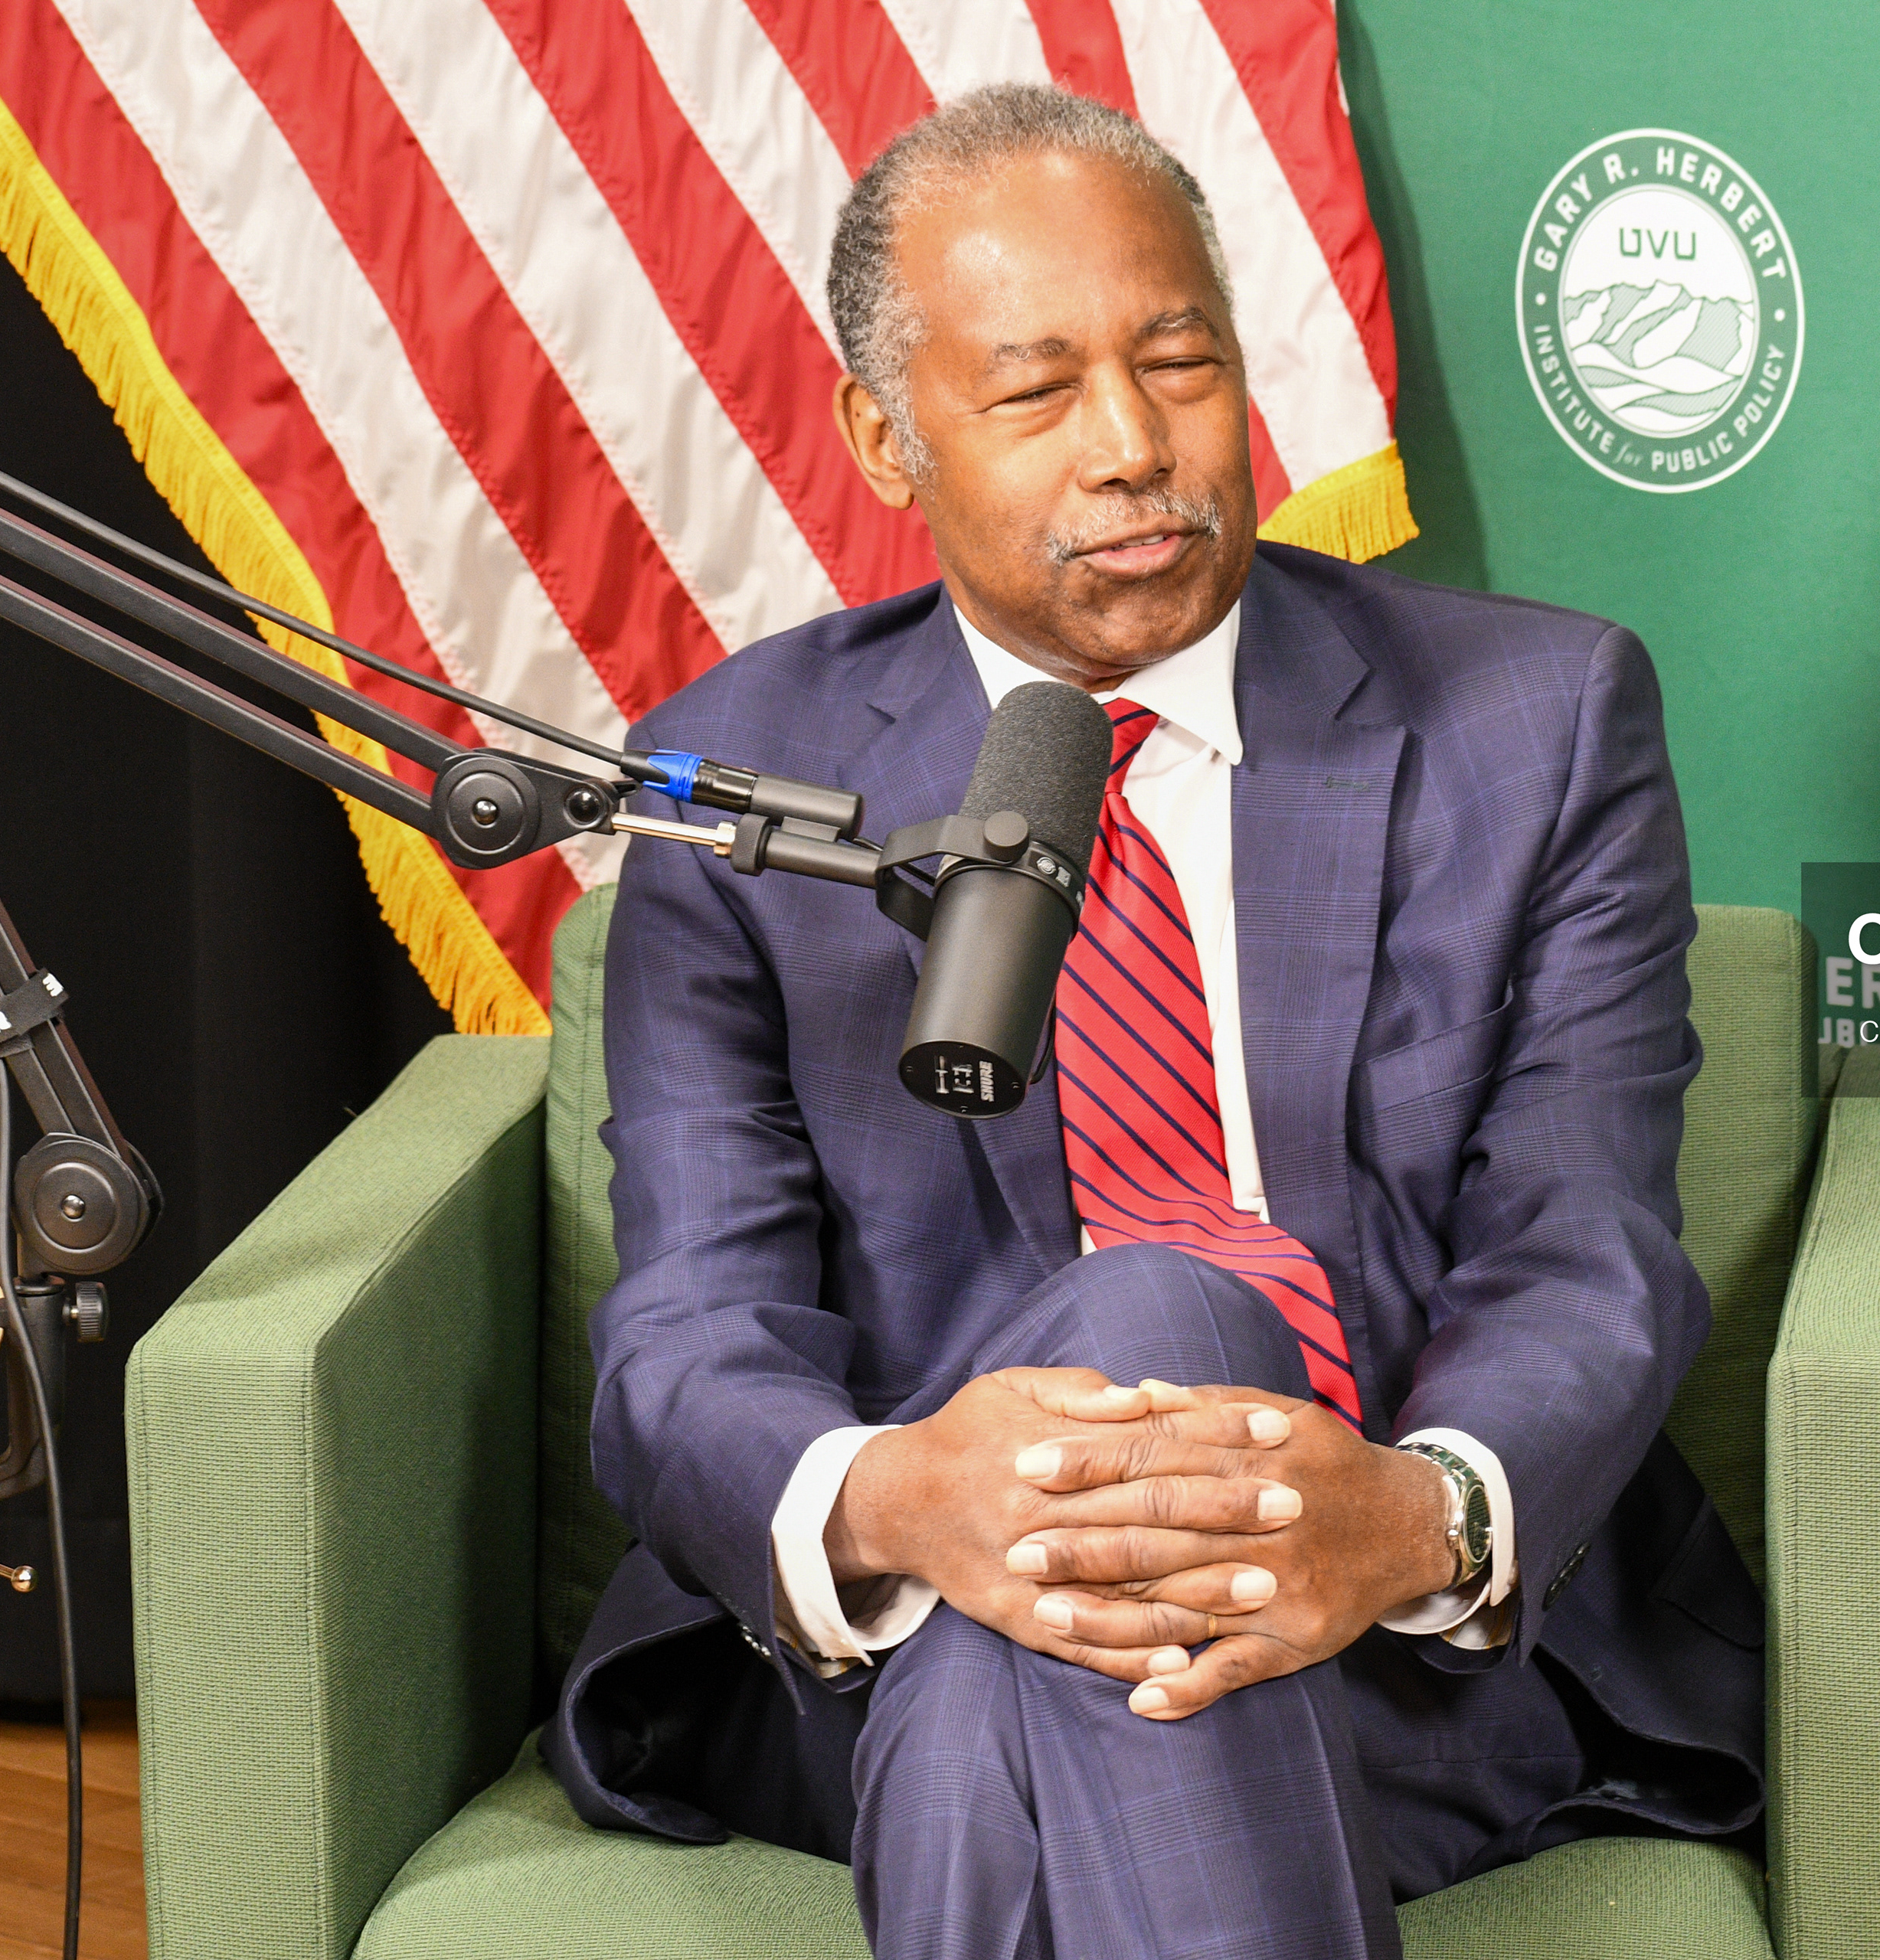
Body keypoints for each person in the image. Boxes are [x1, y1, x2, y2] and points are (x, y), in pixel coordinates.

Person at [547, 84, 1761, 1960]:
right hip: (907, 1612)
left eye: (1180, 362)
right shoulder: (747, 783)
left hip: (1391, 1622)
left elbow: (1584, 1248)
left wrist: (1415, 1516)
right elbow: (693, 1319)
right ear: (885, 436)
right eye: (1036, 392)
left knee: (1038, 1614)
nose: (1133, 447)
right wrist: (907, 1495)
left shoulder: (1538, 722)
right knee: (1136, 1370)